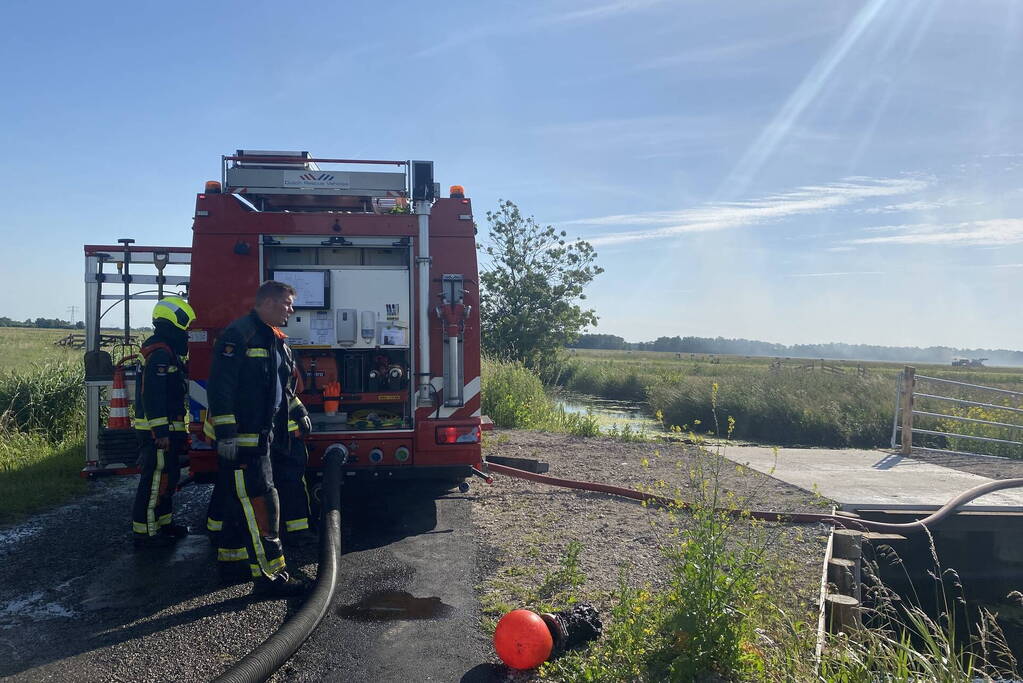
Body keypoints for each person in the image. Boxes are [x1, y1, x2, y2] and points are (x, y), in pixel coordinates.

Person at [207, 281, 308, 597]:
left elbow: (282, 390)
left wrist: (299, 412)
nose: (291, 310)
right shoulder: (239, 336)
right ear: (267, 303)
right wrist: (226, 433)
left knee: (240, 500)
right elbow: (220, 388)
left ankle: (232, 561)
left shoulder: (277, 341)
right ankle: (271, 575)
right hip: (243, 439)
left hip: (264, 437)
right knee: (262, 501)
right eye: (287, 304)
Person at [131, 296, 195, 547]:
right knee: (155, 480)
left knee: (169, 478)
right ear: (174, 324)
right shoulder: (159, 354)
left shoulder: (166, 352)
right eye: (185, 329)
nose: (187, 335)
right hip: (158, 433)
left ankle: (164, 523)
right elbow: (153, 395)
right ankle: (145, 533)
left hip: (168, 431)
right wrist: (160, 431)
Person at [271, 363, 317, 548]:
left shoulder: (276, 358)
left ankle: (294, 531)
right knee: (289, 486)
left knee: (291, 485)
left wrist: (301, 413)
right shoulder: (268, 363)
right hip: (280, 441)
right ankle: (296, 533)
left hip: (284, 441)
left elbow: (288, 392)